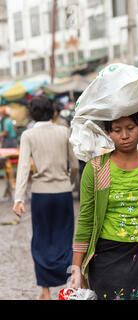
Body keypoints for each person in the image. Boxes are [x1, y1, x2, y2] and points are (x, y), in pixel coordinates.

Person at [70, 112, 138, 300]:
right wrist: (76, 269)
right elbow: (86, 220)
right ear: (107, 133)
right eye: (116, 130)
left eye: (131, 128)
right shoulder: (96, 169)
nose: (125, 136)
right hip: (108, 262)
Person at [12, 95, 79, 300]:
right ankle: (66, 290)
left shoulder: (28, 135)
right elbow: (75, 164)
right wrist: (69, 181)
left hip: (41, 194)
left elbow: (23, 168)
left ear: (32, 113)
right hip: (63, 193)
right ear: (53, 112)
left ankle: (45, 293)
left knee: (41, 241)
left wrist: (19, 199)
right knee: (64, 238)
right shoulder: (64, 131)